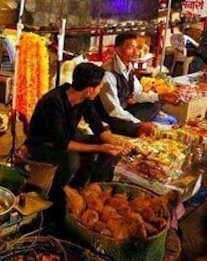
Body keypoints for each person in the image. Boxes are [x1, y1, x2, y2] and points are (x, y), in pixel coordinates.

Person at [26, 62, 130, 205]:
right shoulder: (53, 101)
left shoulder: (84, 99)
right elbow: (61, 142)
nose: (100, 90)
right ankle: (55, 196)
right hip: (42, 145)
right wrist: (99, 148)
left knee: (107, 147)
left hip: (66, 139)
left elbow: (97, 125)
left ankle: (92, 187)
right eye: (99, 86)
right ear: (89, 90)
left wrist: (115, 144)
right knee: (72, 160)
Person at [97, 32, 160, 137]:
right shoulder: (108, 73)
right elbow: (114, 111)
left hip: (125, 108)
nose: (136, 52)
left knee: (155, 105)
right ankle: (135, 127)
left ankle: (135, 125)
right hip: (110, 116)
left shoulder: (129, 67)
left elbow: (137, 94)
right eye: (131, 48)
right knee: (126, 124)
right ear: (118, 50)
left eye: (136, 48)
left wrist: (161, 96)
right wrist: (140, 123)